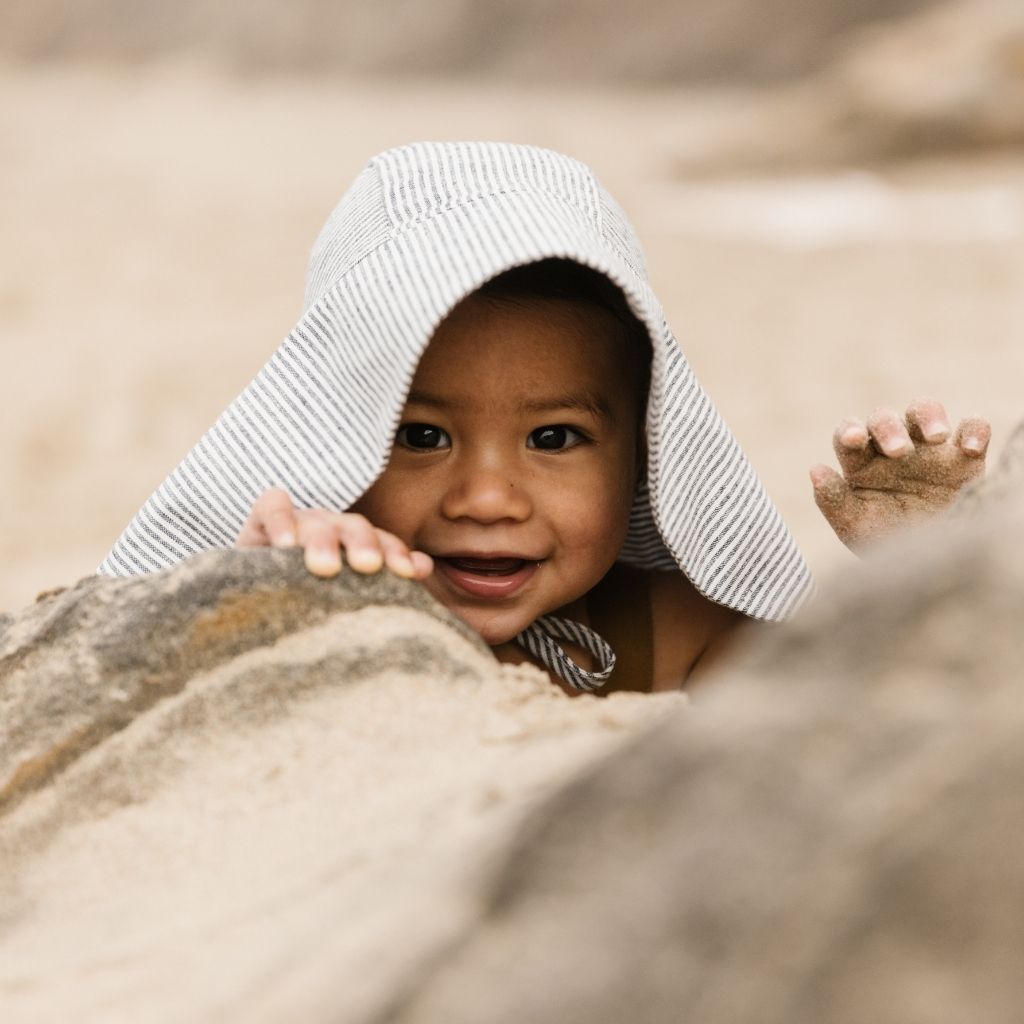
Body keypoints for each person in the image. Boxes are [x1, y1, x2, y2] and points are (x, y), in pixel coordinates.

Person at [99, 141, 990, 695]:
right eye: (421, 435)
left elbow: (840, 744)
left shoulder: (678, 633)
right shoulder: (321, 582)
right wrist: (267, 590)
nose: (487, 496)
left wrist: (920, 567)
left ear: (647, 455)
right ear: (333, 433)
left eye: (554, 437)